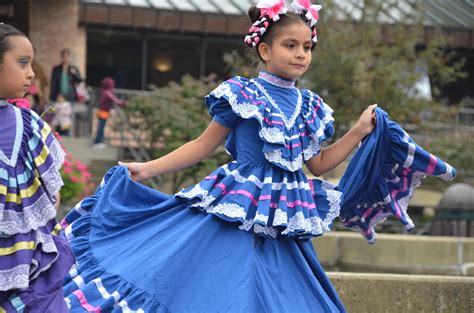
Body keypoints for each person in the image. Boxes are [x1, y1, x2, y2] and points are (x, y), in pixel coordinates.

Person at [61, 1, 455, 312]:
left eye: (307, 47)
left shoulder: (312, 106)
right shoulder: (242, 95)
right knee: (222, 289)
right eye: (290, 45)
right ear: (264, 50)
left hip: (286, 216)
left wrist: (357, 132)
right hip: (236, 204)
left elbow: (316, 165)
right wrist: (146, 167)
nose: (301, 54)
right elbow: (203, 145)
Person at [0, 24, 74, 312]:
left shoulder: (29, 125)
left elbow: (51, 195)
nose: (31, 73)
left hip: (33, 273)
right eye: (22, 62)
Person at [93, 77, 125, 149]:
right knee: (101, 128)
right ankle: (98, 142)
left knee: (101, 127)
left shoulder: (104, 92)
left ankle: (98, 141)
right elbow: (115, 100)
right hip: (103, 113)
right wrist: (124, 103)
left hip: (102, 112)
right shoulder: (108, 93)